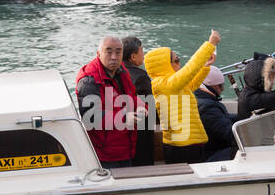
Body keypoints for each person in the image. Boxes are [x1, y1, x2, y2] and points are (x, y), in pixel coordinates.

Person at [144, 30, 219, 164]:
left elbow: (192, 83)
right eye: (176, 61)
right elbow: (190, 69)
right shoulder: (164, 84)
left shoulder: (171, 84)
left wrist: (206, 65)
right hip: (182, 146)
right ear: (165, 65)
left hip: (188, 143)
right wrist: (210, 45)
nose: (179, 64)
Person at [76, 35, 137, 168]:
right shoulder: (89, 81)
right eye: (109, 52)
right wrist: (123, 118)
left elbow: (131, 97)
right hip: (104, 154)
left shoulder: (121, 72)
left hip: (124, 148)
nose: (114, 57)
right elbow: (91, 117)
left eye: (118, 51)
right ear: (99, 54)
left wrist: (142, 107)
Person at [122, 35, 157, 166]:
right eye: (142, 51)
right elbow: (150, 111)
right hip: (141, 133)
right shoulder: (140, 77)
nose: (144, 54)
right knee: (143, 163)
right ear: (133, 57)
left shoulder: (117, 73)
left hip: (123, 131)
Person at [195, 66, 237, 163]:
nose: (222, 89)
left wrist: (245, 117)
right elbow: (230, 136)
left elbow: (221, 119)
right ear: (210, 86)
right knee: (246, 152)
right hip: (210, 156)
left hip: (211, 150)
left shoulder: (203, 100)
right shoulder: (207, 107)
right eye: (220, 85)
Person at [237, 52, 275, 121]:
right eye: (271, 78)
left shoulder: (247, 91)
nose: (273, 82)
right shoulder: (250, 99)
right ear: (263, 79)